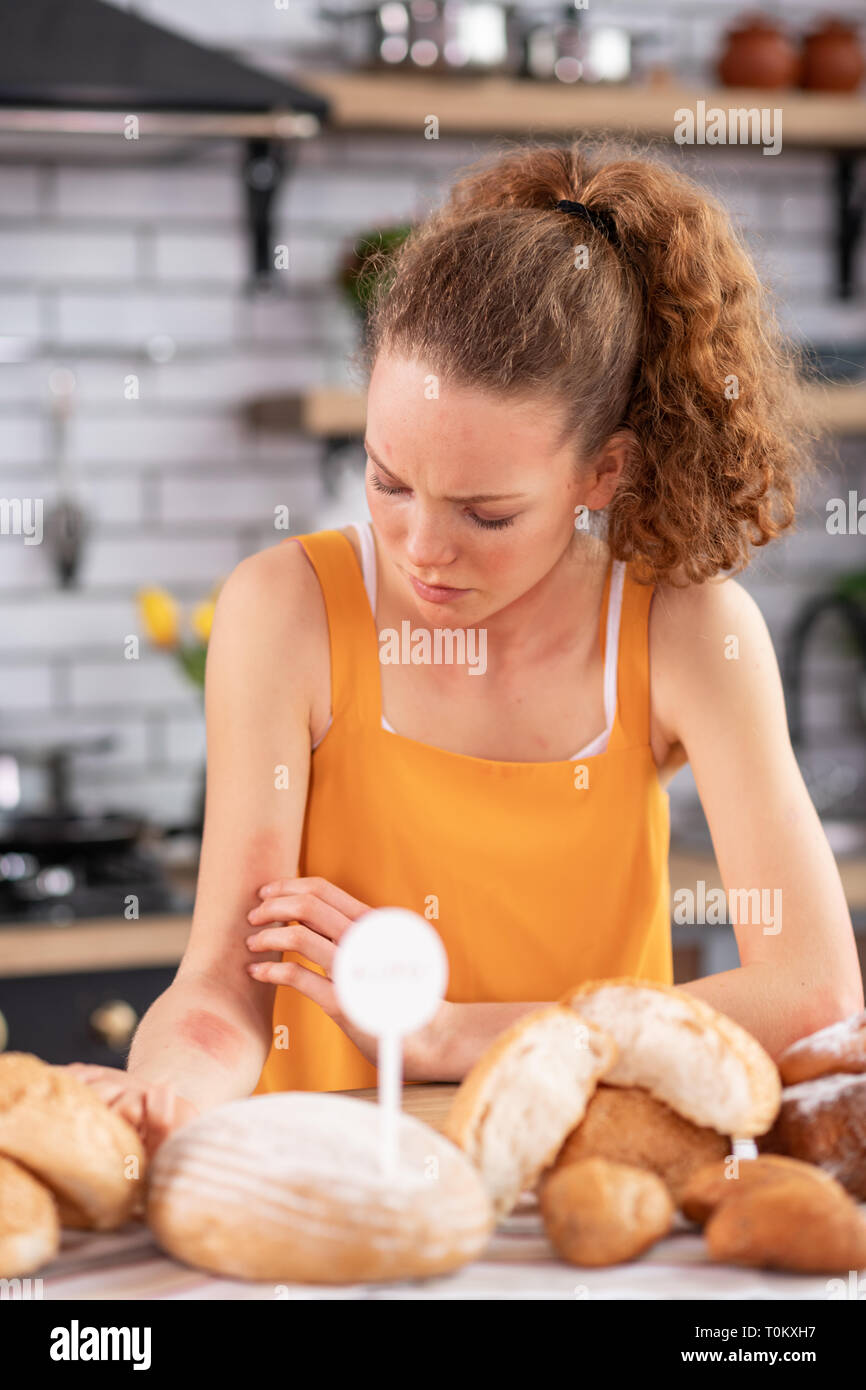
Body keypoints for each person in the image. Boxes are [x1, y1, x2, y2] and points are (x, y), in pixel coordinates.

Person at [68, 139, 863, 1154]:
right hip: (328, 1187)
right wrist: (165, 1095)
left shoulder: (685, 632)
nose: (420, 550)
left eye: (486, 513)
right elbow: (225, 982)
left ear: (601, 473)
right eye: (388, 481)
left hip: (593, 1187)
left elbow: (811, 992)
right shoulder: (287, 612)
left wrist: (446, 1033)